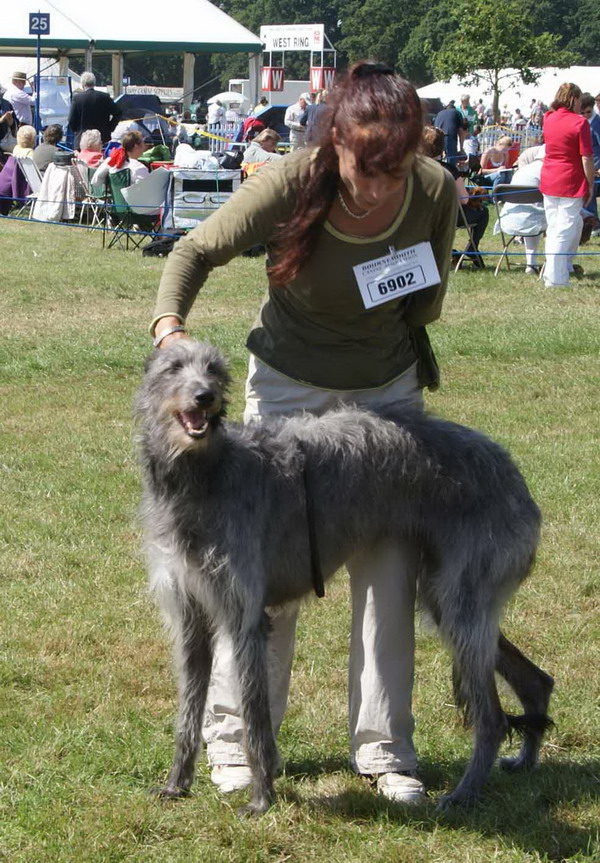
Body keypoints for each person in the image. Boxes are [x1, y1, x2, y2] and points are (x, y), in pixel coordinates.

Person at [150, 60, 457, 806]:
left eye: (396, 169)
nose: (379, 185)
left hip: (386, 397)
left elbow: (429, 297)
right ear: (336, 144)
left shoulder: (438, 190)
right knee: (257, 571)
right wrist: (168, 328)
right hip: (287, 390)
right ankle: (237, 742)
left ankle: (386, 750)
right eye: (364, 168)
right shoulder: (293, 180)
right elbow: (194, 251)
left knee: (387, 568)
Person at [540, 83, 594, 287]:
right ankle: (555, 278)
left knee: (556, 227)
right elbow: (586, 158)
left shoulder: (548, 118)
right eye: (579, 100)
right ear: (574, 99)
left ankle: (559, 270)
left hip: (549, 178)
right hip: (570, 181)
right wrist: (590, 184)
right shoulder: (580, 123)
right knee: (564, 229)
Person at [421, 126, 488, 269]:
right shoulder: (449, 170)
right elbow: (464, 199)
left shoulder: (413, 168)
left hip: (420, 217)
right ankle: (472, 247)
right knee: (483, 212)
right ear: (441, 146)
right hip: (447, 217)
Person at [67, 72, 121, 146]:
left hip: (82, 139)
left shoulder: (77, 98)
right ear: (94, 83)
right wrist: (109, 128)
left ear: (82, 84)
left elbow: (71, 119)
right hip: (102, 138)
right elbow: (118, 113)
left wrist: (77, 131)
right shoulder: (105, 97)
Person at [0, 85, 17, 159]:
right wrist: (2, 119)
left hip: (5, 141)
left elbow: (14, 123)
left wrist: (11, 121)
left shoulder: (6, 103)